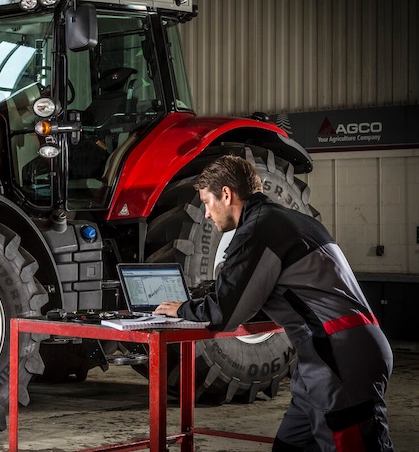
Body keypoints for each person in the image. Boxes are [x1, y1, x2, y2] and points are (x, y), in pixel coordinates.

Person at [154, 155, 394, 451]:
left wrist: (182, 309)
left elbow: (225, 313)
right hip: (327, 355)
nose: (205, 214)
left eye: (207, 202)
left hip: (339, 357)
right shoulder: (292, 221)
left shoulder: (260, 229)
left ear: (226, 195)